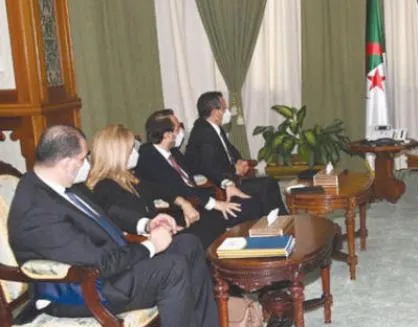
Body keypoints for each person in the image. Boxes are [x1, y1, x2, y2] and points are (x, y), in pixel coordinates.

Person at [8, 125, 248, 327]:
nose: (87, 164)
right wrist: (150, 246)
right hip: (80, 290)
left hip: (104, 269)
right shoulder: (38, 212)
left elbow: (105, 216)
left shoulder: (55, 185)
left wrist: (147, 224)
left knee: (188, 244)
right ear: (66, 163)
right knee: (171, 268)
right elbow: (100, 263)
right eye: (83, 158)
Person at [85, 124, 227, 249]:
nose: (136, 153)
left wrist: (183, 203)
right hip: (145, 244)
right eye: (131, 149)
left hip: (161, 231)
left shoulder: (130, 178)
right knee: (198, 236)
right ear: (118, 155)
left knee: (213, 219)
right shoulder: (105, 187)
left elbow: (162, 190)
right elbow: (121, 218)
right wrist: (156, 227)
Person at [135, 109, 265, 227]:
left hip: (200, 201)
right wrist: (215, 204)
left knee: (253, 201)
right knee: (250, 207)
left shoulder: (173, 152)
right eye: (178, 127)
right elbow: (177, 188)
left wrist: (226, 183)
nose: (181, 131)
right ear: (167, 135)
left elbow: (201, 169)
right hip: (183, 212)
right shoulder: (148, 156)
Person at [184, 92, 287, 216]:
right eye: (224, 109)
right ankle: (279, 221)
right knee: (267, 185)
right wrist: (234, 170)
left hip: (231, 178)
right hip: (218, 186)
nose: (227, 112)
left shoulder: (213, 127)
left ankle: (279, 220)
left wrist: (241, 162)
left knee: (269, 183)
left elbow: (231, 150)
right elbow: (209, 167)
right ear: (215, 112)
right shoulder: (203, 133)